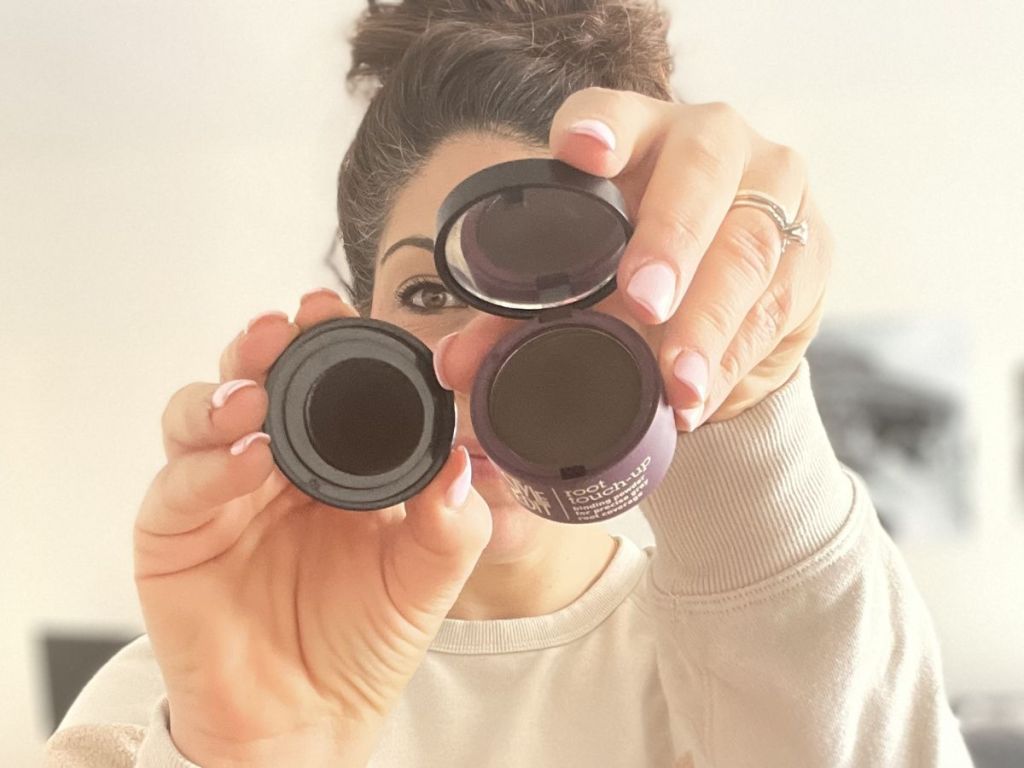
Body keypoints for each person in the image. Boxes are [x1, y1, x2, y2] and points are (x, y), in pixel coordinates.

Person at [44, 0, 975, 766]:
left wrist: (749, 418)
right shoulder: (178, 699)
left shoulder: (763, 645)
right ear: (357, 321)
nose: (492, 359)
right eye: (429, 289)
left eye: (575, 296)